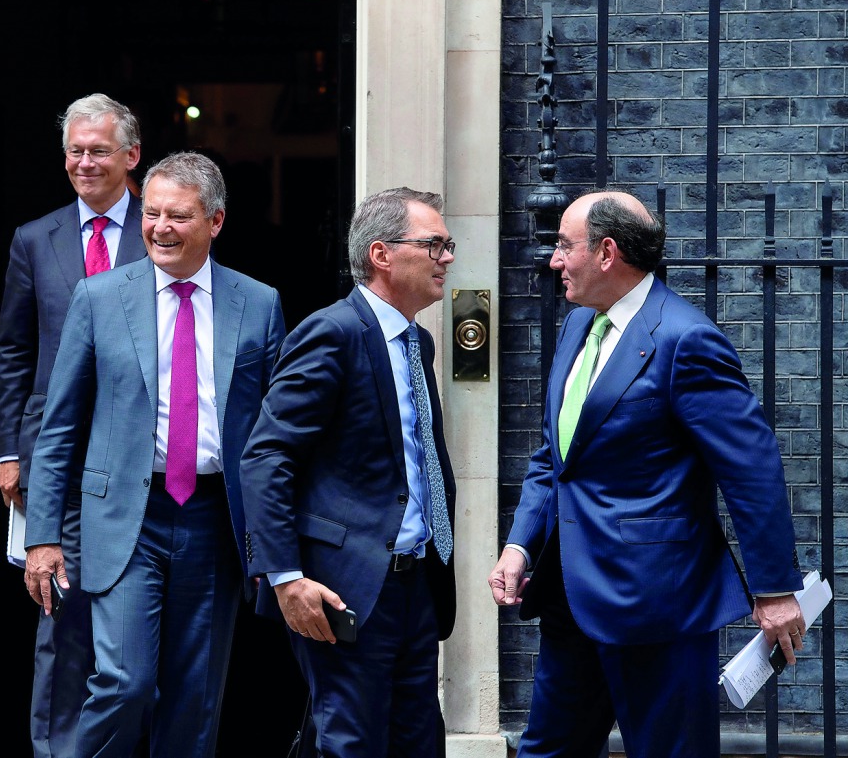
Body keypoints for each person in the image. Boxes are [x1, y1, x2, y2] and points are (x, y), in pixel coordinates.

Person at [487, 190, 805, 757]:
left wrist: (776, 589)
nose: (554, 259)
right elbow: (555, 456)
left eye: (565, 245)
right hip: (570, 593)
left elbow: (751, 468)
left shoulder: (685, 339)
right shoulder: (577, 327)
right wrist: (519, 544)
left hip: (658, 603)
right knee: (547, 751)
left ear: (606, 252)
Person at [22, 152, 286, 758]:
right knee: (125, 684)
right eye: (152, 213)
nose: (160, 228)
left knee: (195, 704)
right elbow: (59, 427)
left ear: (215, 222)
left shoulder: (259, 303)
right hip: (125, 521)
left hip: (216, 521)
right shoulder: (99, 297)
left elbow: (277, 435)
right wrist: (43, 536)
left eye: (179, 216)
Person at [240, 187, 458, 758]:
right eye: (434, 244)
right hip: (347, 586)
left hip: (416, 581)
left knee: (419, 742)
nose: (447, 257)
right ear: (383, 254)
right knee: (352, 744)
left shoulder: (419, 341)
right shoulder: (331, 334)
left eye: (447, 244)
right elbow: (267, 457)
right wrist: (285, 576)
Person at [0, 93, 147, 758]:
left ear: (131, 156)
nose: (84, 162)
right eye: (75, 151)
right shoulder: (36, 237)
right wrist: (8, 450)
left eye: (98, 150)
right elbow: (16, 350)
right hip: (54, 460)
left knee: (136, 628)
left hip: (138, 453)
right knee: (62, 617)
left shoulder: (162, 226)